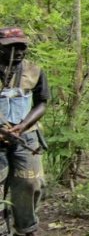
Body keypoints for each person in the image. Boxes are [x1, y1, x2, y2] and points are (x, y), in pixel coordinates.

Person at [0, 27, 49, 236]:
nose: (18, 52)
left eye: (22, 46)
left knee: (30, 182)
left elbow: (43, 103)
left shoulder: (34, 70)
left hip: (25, 135)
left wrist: (23, 125)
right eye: (12, 47)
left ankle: (26, 228)